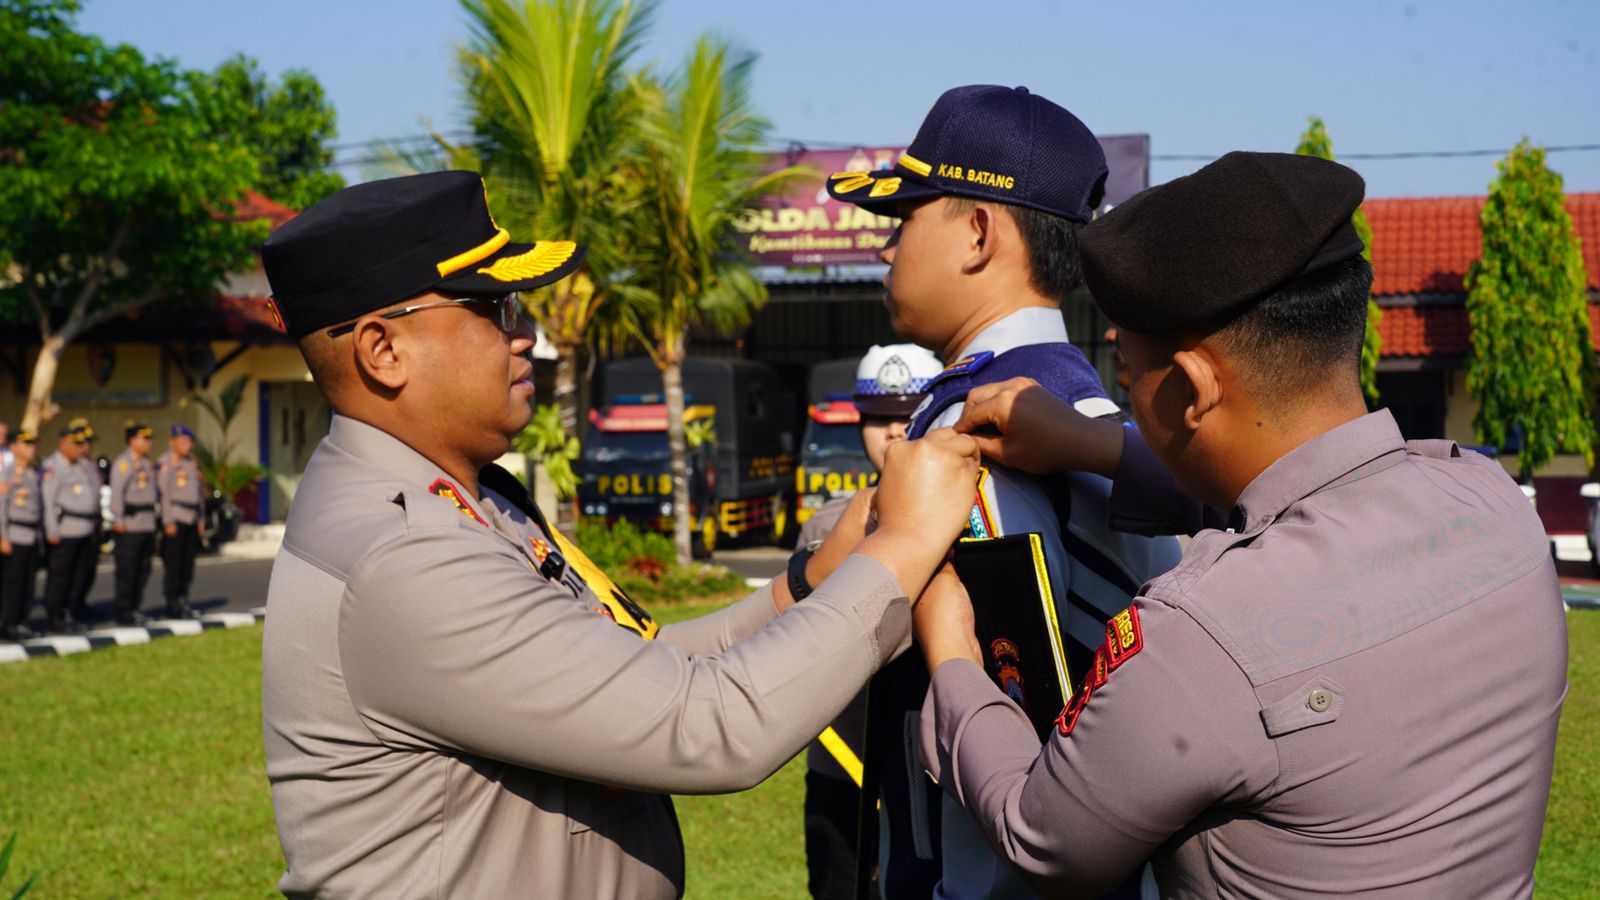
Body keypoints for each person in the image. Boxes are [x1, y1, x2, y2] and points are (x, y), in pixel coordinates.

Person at [256, 170, 983, 897]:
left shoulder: (475, 501)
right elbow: (710, 723)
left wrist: (807, 585)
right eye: (495, 308)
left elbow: (647, 662)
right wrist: (905, 546)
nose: (528, 335)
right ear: (383, 351)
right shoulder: (403, 552)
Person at [915, 151, 1568, 898]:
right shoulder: (1492, 505)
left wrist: (953, 651)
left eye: (1128, 374)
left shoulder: (1200, 635)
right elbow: (1295, 493)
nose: (1121, 391)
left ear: (1193, 387)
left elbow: (1043, 841)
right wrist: (1096, 443)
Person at [825, 84, 1181, 899]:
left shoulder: (981, 422)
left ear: (979, 233)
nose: (887, 248)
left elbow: (1011, 706)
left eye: (905, 217)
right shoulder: (1089, 409)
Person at [793, 343, 941, 900]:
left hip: (925, 761)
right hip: (838, 756)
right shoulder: (826, 523)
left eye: (909, 414)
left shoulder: (969, 516)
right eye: (878, 417)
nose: (894, 431)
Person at [41, 422, 99, 634]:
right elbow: (48, 502)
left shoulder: (81, 465)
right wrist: (52, 530)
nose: (79, 448)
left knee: (79, 575)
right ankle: (55, 616)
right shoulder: (54, 467)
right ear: (63, 443)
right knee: (60, 577)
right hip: (65, 531)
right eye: (75, 444)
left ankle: (69, 613)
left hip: (85, 528)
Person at [109, 421, 158, 626]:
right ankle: (125, 610)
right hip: (129, 524)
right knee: (127, 571)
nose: (149, 443)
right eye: (144, 438)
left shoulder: (147, 463)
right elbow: (117, 494)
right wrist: (118, 519)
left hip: (146, 524)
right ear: (132, 440)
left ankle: (136, 608)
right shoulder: (124, 463)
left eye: (149, 438)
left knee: (143, 570)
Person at [157, 424, 204, 619]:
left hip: (191, 519)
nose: (188, 445)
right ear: (172, 442)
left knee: (187, 564)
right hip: (176, 518)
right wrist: (167, 520)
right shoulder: (166, 463)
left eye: (190, 441)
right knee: (174, 564)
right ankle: (172, 603)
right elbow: (163, 494)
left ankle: (183, 599)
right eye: (184, 441)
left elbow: (198, 495)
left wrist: (201, 519)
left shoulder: (191, 463)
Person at [0, 430, 42, 641]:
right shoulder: (7, 473)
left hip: (30, 534)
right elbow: (1, 507)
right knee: (13, 585)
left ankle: (22, 622)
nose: (31, 449)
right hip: (14, 534)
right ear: (14, 447)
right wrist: (3, 537)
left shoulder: (31, 473)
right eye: (26, 445)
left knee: (28, 584)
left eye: (33, 445)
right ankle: (9, 624)